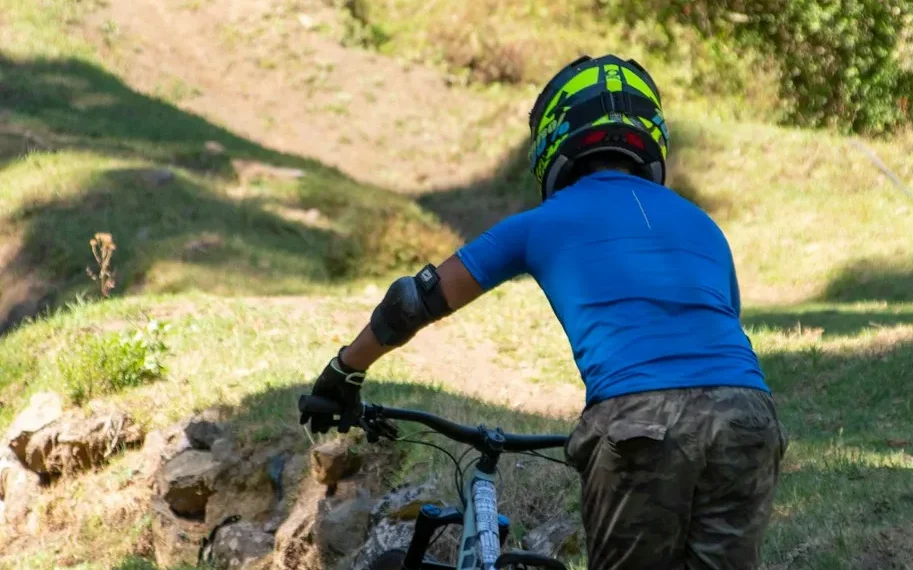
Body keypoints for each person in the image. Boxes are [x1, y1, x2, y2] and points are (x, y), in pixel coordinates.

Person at [299, 54, 787, 570]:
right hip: (748, 416)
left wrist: (343, 371)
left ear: (557, 134)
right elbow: (721, 328)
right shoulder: (703, 225)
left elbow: (414, 301)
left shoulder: (542, 223)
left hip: (639, 418)